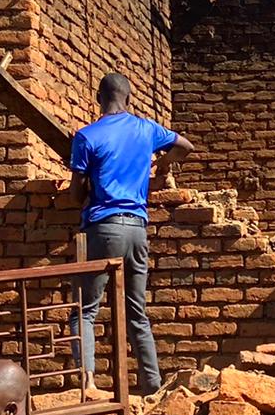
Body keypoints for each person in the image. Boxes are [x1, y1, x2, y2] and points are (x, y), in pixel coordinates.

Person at [70, 73, 194, 398]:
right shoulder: (146, 129)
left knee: (85, 310)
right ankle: (152, 387)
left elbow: (75, 195)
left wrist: (88, 183)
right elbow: (185, 147)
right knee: (136, 310)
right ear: (129, 99)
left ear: (98, 98)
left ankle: (89, 385)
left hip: (103, 227)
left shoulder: (86, 136)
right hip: (138, 228)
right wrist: (161, 165)